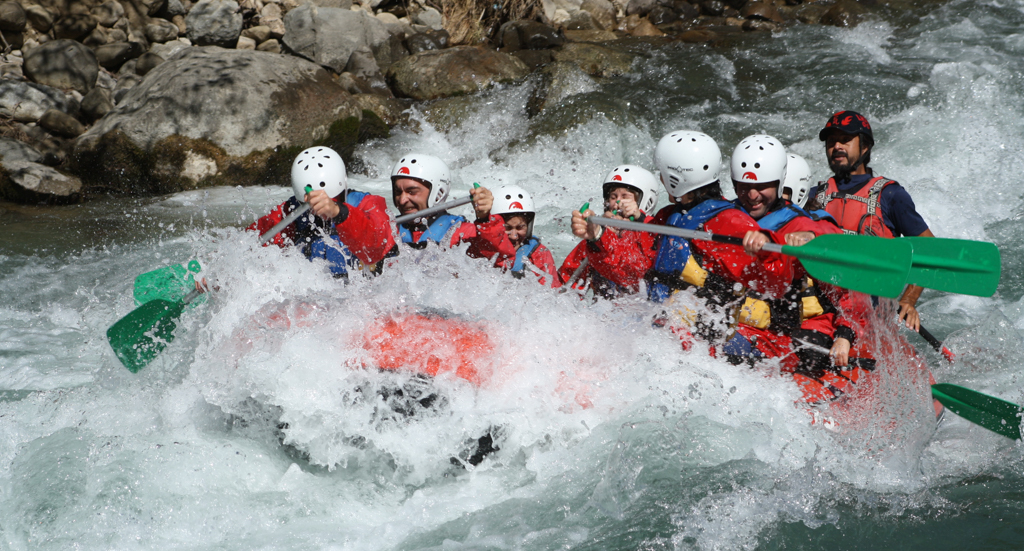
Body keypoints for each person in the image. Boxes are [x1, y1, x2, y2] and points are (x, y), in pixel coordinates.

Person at [728, 135, 872, 396]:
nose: (751, 195)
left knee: (808, 351)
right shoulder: (727, 218)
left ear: (779, 182)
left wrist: (844, 335)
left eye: (762, 186)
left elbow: (849, 286)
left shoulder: (807, 227)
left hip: (800, 332)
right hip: (751, 329)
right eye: (743, 186)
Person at [807, 110, 935, 331]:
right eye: (831, 141)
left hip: (869, 319)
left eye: (845, 140)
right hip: (821, 311)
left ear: (865, 146)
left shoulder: (891, 195)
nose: (836, 146)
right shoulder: (814, 196)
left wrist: (909, 300)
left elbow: (930, 250)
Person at [247, 147, 396, 278]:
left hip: (365, 294)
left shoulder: (368, 204)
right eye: (312, 205)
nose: (320, 212)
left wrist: (339, 212)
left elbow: (376, 247)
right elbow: (245, 244)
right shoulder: (290, 211)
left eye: (328, 201)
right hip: (315, 298)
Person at [558, 164, 660, 298]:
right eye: (612, 197)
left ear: (646, 201)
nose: (617, 202)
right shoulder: (594, 239)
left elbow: (631, 272)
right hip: (604, 311)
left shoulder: (652, 234)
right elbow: (567, 282)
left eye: (625, 196)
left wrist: (638, 219)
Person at [390, 153, 515, 261]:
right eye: (398, 192)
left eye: (412, 191)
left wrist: (484, 220)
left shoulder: (459, 232)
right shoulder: (388, 230)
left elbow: (499, 260)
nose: (402, 200)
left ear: (438, 193)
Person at [490, 185, 560, 287]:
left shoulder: (539, 254)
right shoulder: (479, 248)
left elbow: (552, 293)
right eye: (507, 228)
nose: (514, 236)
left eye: (520, 228)